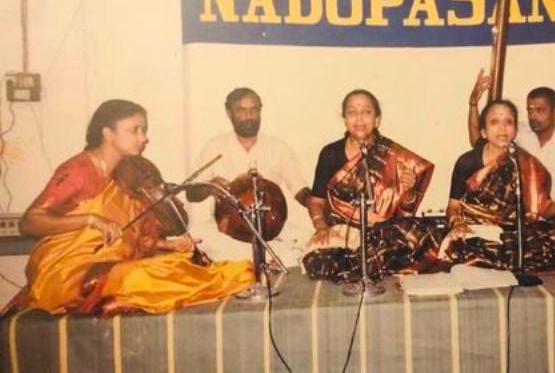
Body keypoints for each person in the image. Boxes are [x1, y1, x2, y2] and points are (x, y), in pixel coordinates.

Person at [7, 100, 252, 315]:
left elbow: (123, 237)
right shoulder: (78, 170)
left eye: (143, 130)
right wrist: (91, 219)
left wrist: (165, 244)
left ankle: (229, 276)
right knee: (142, 277)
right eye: (134, 130)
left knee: (177, 263)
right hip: (69, 271)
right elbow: (29, 222)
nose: (143, 138)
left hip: (108, 264)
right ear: (108, 133)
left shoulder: (128, 176)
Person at [302, 89, 439, 282]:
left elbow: (405, 212)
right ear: (344, 119)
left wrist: (408, 192)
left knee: (426, 232)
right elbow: (316, 201)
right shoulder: (330, 153)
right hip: (343, 234)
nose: (359, 118)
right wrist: (321, 227)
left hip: (383, 234)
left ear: (377, 119)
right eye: (352, 112)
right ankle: (375, 263)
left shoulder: (394, 155)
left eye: (366, 111)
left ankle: (367, 263)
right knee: (316, 262)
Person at [444, 99, 555, 272]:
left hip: (512, 232)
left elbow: (542, 214)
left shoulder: (527, 164)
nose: (502, 129)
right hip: (472, 228)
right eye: (495, 122)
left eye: (508, 122)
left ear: (515, 130)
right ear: (484, 132)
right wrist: (457, 223)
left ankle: (496, 257)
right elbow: (453, 207)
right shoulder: (467, 161)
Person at [468, 69, 555, 240]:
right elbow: (478, 141)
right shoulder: (520, 132)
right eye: (530, 110)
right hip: (522, 215)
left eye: (540, 110)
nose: (533, 116)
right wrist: (473, 104)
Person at [187, 87, 311, 268]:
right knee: (198, 236)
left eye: (254, 109)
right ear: (229, 113)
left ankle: (251, 260)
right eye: (241, 110)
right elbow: (191, 194)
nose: (249, 116)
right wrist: (209, 187)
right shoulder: (214, 147)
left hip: (270, 228)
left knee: (306, 235)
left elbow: (300, 190)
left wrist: (321, 210)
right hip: (227, 230)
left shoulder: (277, 148)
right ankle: (268, 259)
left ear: (260, 111)